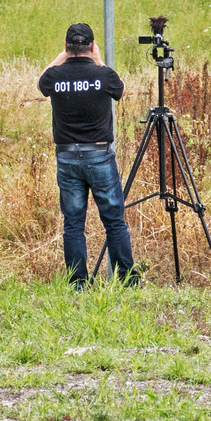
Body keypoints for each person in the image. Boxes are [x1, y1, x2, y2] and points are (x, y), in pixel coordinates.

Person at [37, 22, 136, 287]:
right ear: (91, 46)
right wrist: (99, 59)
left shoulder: (55, 76)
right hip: (99, 155)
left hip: (67, 157)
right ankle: (127, 279)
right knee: (114, 220)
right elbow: (121, 91)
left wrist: (63, 56)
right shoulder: (102, 74)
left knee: (73, 223)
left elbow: (41, 82)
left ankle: (78, 282)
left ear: (67, 47)